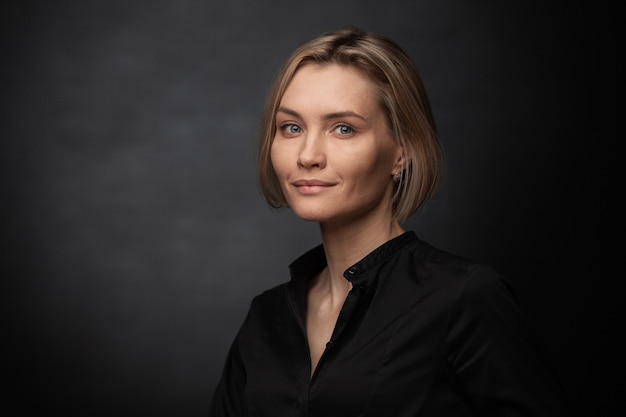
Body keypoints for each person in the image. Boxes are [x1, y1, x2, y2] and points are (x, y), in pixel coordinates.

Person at [209, 26, 570, 416]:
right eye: (291, 127)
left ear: (402, 151)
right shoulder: (266, 318)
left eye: (343, 128)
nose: (308, 155)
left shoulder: (464, 299)